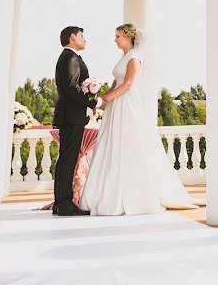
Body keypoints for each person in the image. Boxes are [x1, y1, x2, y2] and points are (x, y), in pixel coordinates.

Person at [79, 23, 198, 216]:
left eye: (118, 36)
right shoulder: (124, 57)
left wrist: (107, 98)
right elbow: (115, 83)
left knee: (129, 145)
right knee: (113, 145)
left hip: (127, 106)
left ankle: (134, 194)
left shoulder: (134, 58)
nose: (115, 40)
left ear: (128, 37)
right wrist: (100, 100)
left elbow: (127, 85)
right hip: (116, 106)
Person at [52, 26, 96, 217]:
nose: (85, 40)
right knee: (68, 160)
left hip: (69, 115)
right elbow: (71, 87)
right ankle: (64, 203)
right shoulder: (71, 58)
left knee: (66, 159)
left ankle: (60, 203)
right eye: (82, 36)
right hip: (71, 116)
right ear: (72, 37)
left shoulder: (68, 57)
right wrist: (92, 101)